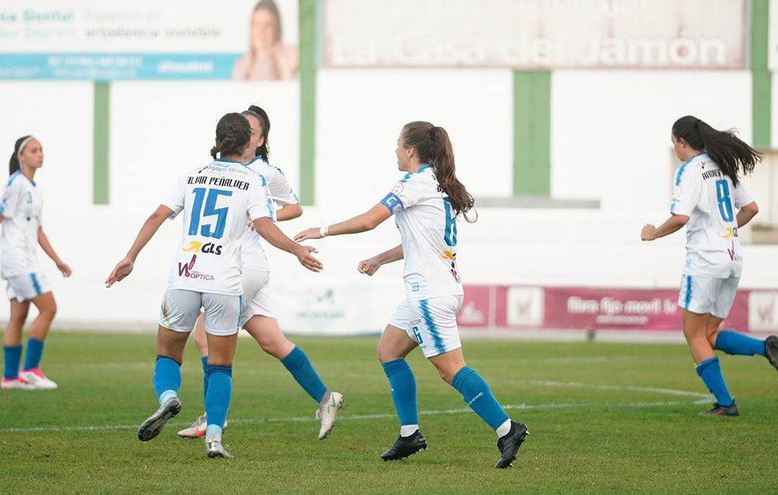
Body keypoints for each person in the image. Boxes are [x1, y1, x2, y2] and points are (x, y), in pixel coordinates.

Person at [295, 121, 529, 469]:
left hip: (430, 295)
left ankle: (507, 429)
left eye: (398, 144)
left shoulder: (413, 182)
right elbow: (418, 242)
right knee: (389, 351)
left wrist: (323, 230)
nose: (395, 150)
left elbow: (370, 220)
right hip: (434, 290)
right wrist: (379, 259)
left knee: (451, 370)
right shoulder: (439, 184)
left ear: (410, 150)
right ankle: (409, 434)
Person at [105, 113, 322, 459]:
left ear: (218, 139)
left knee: (167, 354)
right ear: (247, 142)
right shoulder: (252, 180)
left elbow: (157, 215)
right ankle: (215, 438)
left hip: (185, 276)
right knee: (221, 365)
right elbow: (264, 225)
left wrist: (131, 255)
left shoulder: (193, 175)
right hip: (224, 282)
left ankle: (168, 398)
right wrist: (296, 249)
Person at [178, 105, 344, 441]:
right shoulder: (226, 169)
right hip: (242, 267)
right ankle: (327, 399)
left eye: (250, 130)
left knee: (203, 336)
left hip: (241, 266)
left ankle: (214, 417)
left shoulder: (263, 173)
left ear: (260, 139)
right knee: (272, 341)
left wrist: (265, 218)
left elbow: (294, 206)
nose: (243, 133)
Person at [641, 115, 778, 416]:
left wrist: (653, 233)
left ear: (683, 142)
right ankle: (766, 348)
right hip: (733, 258)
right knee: (709, 334)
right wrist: (726, 230)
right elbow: (751, 209)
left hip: (706, 261)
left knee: (694, 336)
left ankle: (726, 403)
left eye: (675, 144)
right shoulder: (722, 166)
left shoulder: (689, 171)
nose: (676, 150)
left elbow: (681, 217)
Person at [0, 135, 72, 391]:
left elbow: (38, 230)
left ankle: (9, 377)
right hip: (19, 261)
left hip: (25, 259)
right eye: (33, 150)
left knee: (18, 316)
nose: (40, 154)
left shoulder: (36, 190)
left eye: (41, 149)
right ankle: (30, 370)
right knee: (49, 309)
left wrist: (57, 260)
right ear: (21, 157)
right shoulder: (16, 183)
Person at [232, 0, 297, 80]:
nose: (261, 31)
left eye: (267, 25)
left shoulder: (287, 60)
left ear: (276, 28)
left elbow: (290, 90)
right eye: (256, 24)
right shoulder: (241, 65)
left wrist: (286, 71)